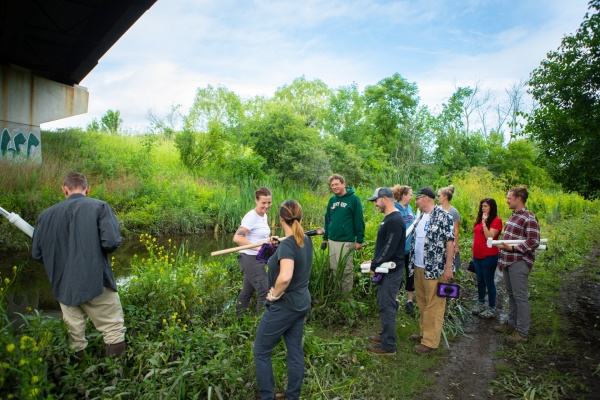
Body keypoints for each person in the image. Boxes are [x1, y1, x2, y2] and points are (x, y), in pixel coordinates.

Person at [31, 172, 126, 358]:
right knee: (113, 330)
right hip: (97, 282)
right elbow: (111, 243)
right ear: (87, 189)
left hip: (64, 286)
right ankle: (117, 378)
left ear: (64, 190)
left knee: (74, 339)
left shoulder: (46, 216)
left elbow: (37, 254)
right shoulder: (100, 207)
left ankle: (79, 382)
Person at [253, 200, 314, 400]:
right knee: (295, 351)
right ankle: (292, 396)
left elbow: (286, 276)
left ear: (280, 219)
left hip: (284, 306)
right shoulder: (305, 239)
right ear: (301, 217)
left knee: (261, 350)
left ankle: (267, 396)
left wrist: (275, 294)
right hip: (301, 303)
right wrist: (278, 247)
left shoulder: (289, 244)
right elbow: (292, 252)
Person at [408, 187, 455, 354]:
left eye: (418, 198)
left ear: (427, 198)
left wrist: (448, 267)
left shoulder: (443, 216)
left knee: (434, 305)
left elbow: (450, 242)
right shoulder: (420, 217)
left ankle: (430, 342)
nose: (416, 201)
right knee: (422, 302)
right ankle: (423, 333)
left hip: (436, 269)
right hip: (419, 266)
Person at [494, 186, 540, 343]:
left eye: (509, 198)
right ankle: (511, 324)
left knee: (520, 297)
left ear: (519, 198)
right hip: (508, 261)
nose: (507, 200)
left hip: (519, 262)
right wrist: (502, 259)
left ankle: (522, 332)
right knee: (511, 295)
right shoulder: (513, 216)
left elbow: (534, 241)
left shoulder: (529, 218)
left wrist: (513, 248)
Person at [365, 187, 406, 356]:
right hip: (385, 268)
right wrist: (374, 261)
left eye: (376, 200)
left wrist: (374, 265)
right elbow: (384, 246)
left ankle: (389, 346)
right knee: (384, 304)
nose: (375, 204)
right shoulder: (389, 219)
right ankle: (385, 336)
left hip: (391, 270)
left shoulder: (394, 220)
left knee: (387, 305)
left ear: (386, 199)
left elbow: (389, 247)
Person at [321, 174, 365, 294]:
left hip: (346, 241)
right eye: (332, 185)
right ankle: (337, 295)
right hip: (332, 240)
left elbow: (359, 220)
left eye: (337, 184)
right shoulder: (332, 200)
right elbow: (327, 219)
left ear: (343, 184)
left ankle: (347, 298)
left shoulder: (354, 199)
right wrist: (325, 238)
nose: (334, 187)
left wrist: (359, 239)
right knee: (334, 269)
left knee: (346, 271)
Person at [233, 187, 274, 315]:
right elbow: (238, 238)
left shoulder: (264, 215)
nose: (266, 206)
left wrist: (269, 242)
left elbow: (259, 236)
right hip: (250, 259)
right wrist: (258, 247)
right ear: (256, 201)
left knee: (247, 292)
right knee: (265, 292)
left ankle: (238, 320)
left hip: (259, 258)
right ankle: (261, 324)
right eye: (263, 203)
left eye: (269, 202)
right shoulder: (251, 217)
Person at [471, 198, 503, 319]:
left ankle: (491, 307)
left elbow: (490, 236)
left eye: (485, 206)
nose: (483, 208)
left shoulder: (496, 220)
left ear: (491, 207)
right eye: (482, 206)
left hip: (489, 255)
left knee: (489, 281)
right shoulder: (480, 219)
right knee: (480, 281)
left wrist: (485, 223)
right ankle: (480, 303)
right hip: (477, 255)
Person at [392, 184, 416, 314]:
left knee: (410, 274)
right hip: (399, 250)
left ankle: (409, 301)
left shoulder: (411, 209)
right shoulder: (395, 209)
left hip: (410, 249)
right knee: (398, 275)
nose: (412, 197)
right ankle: (395, 300)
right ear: (404, 195)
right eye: (410, 194)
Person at [437, 185, 461, 272]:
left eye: (439, 195)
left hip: (449, 242)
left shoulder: (454, 212)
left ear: (445, 197)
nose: (437, 198)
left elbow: (456, 230)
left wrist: (456, 246)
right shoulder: (437, 209)